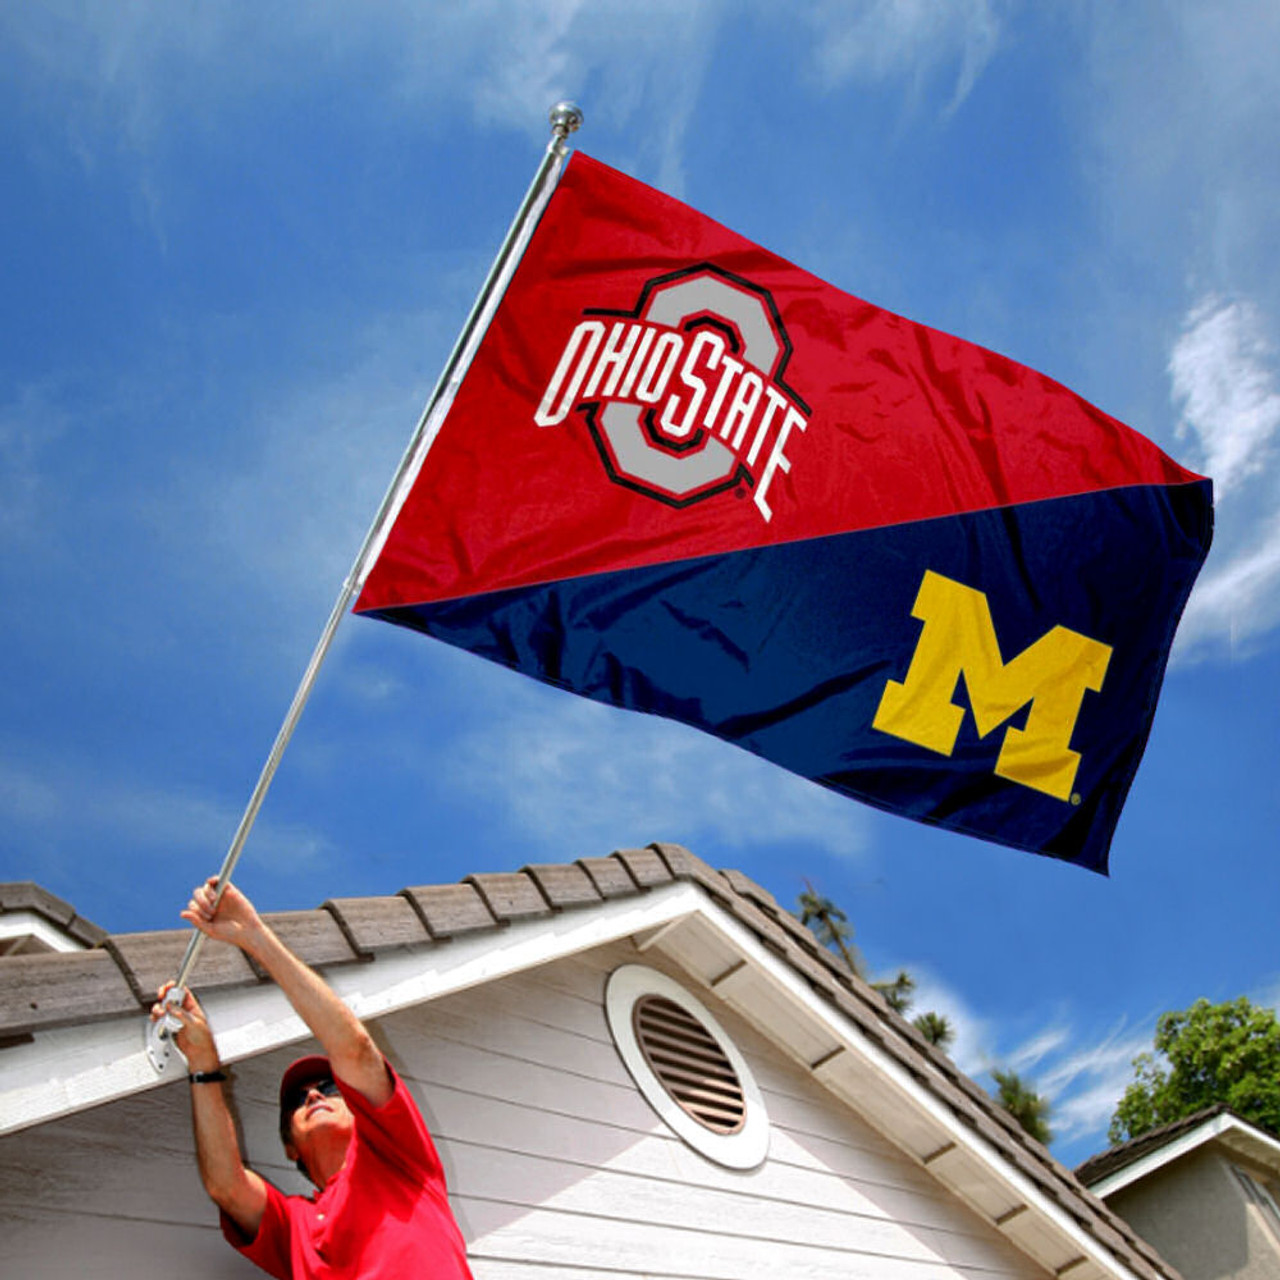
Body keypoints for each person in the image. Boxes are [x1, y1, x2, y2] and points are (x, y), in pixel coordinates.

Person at [151, 876, 474, 1280]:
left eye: (328, 1088)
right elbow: (226, 1187)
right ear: (290, 1148)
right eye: (296, 1102)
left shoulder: (399, 1159)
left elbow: (353, 1048)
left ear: (362, 1116)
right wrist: (202, 1061)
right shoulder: (293, 1225)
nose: (312, 1097)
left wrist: (255, 936)